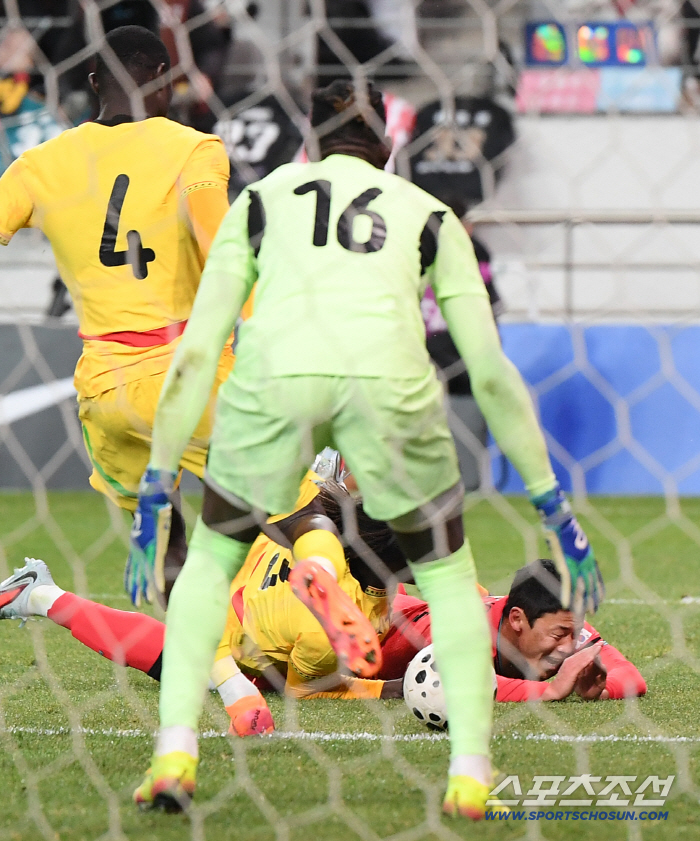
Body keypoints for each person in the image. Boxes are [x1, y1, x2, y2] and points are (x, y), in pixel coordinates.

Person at [127, 79, 604, 818]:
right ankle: (470, 773)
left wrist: (157, 485)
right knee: (447, 577)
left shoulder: (259, 202)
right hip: (391, 382)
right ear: (387, 140)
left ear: (311, 142)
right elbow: (490, 372)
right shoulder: (428, 211)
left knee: (215, 559)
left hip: (276, 377)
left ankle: (176, 752)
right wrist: (554, 505)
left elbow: (197, 350)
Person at [0, 25, 233, 600]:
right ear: (164, 77)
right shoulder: (194, 148)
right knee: (296, 503)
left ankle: (210, 667)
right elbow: (228, 253)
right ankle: (314, 580)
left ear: (93, 79)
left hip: (107, 383)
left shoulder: (40, 164)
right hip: (191, 367)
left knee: (165, 529)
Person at [380, 559, 646, 703]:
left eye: (573, 633)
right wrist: (552, 691)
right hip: (374, 627)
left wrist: (601, 689)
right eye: (558, 636)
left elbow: (632, 677)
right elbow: (464, 685)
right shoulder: (464, 630)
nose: (567, 647)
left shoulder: (564, 625)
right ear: (518, 619)